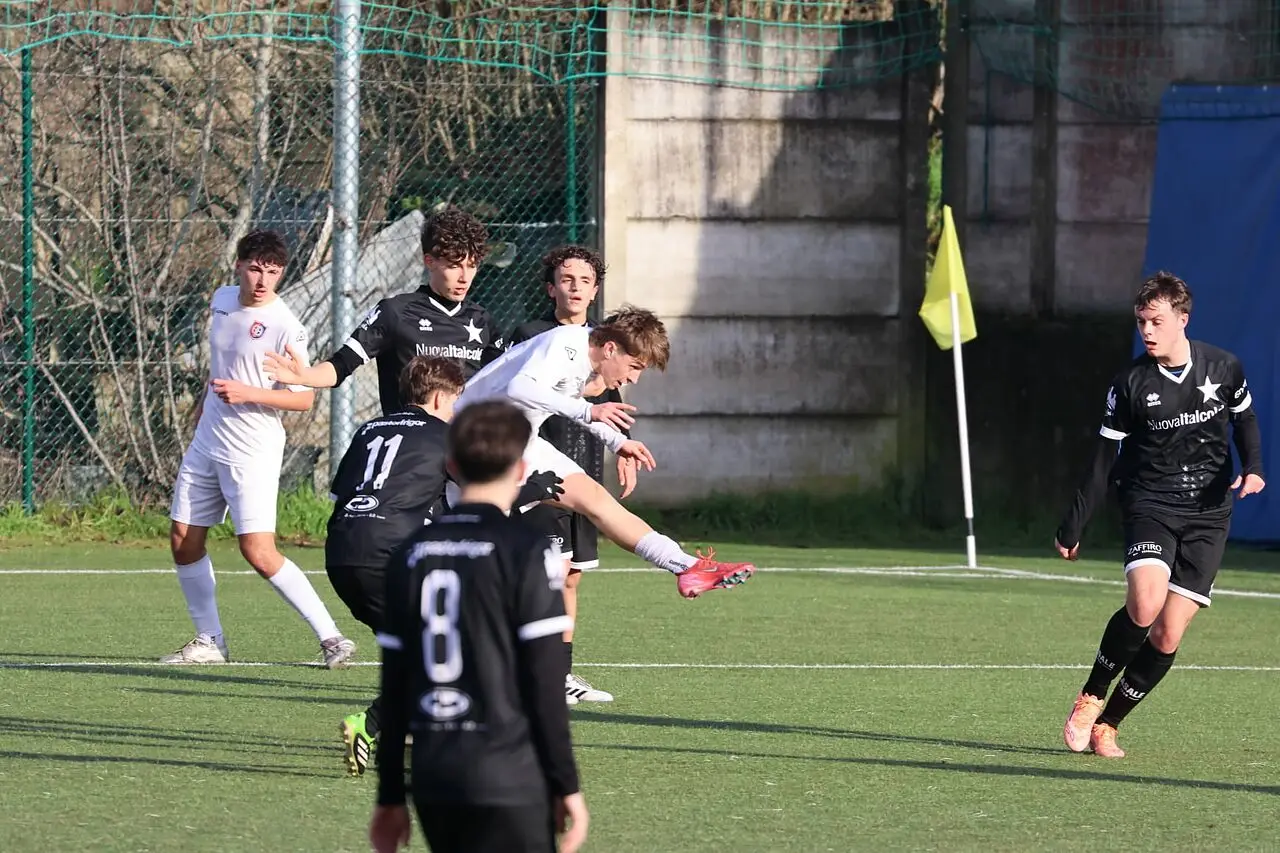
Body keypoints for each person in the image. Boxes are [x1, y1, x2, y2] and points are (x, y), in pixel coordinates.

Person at [1055, 271, 1265, 758]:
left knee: (1168, 633)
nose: (1147, 331)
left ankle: (1108, 724)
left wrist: (1254, 467)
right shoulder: (1130, 383)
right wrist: (1074, 523)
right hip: (1151, 503)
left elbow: (1245, 420)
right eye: (1141, 322)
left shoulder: (1223, 367)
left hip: (1208, 514)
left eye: (1156, 321)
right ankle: (1091, 696)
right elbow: (1103, 460)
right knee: (1145, 604)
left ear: (1182, 319)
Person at [325, 356, 564, 776]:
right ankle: (372, 726)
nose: (456, 410)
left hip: (341, 555)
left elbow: (341, 493)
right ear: (439, 397)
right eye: (455, 400)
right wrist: (533, 488)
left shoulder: (368, 430)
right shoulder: (446, 435)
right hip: (390, 556)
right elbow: (486, 498)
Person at [369, 400, 588, 853]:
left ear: (450, 465)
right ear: (522, 470)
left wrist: (390, 794)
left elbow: (394, 685)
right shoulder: (526, 550)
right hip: (509, 773)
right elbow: (545, 682)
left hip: (434, 778)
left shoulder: (411, 552)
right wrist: (565, 782)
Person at [452, 304, 757, 599]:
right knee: (475, 560)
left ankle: (688, 567)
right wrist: (589, 411)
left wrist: (617, 441)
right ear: (610, 349)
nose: (634, 379)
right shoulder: (565, 345)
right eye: (634, 366)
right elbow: (519, 388)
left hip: (517, 445)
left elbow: (569, 403)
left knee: (597, 500)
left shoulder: (581, 356)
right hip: (474, 447)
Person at [163, 230, 356, 667]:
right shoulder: (222, 299)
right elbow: (222, 366)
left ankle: (332, 638)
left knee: (258, 551)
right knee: (183, 539)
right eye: (255, 269)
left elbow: (303, 399)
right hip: (207, 441)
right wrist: (203, 410)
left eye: (272, 271)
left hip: (252, 449)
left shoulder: (286, 326)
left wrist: (248, 393)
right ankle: (210, 641)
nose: (263, 280)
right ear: (238, 266)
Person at [502, 245, 622, 705]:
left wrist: (622, 449)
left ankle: (559, 674)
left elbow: (609, 404)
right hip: (540, 470)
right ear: (551, 288)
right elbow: (511, 391)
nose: (575, 288)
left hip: (583, 469)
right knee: (546, 575)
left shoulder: (604, 344)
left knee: (572, 576)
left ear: (595, 290)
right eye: (566, 279)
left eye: (584, 281)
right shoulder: (531, 336)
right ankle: (525, 671)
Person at [263, 205, 504, 415]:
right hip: (411, 443)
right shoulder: (396, 312)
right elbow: (342, 364)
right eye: (454, 266)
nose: (464, 277)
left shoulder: (482, 321)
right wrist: (305, 375)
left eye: (472, 266)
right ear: (429, 261)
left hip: (467, 445)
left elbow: (505, 381)